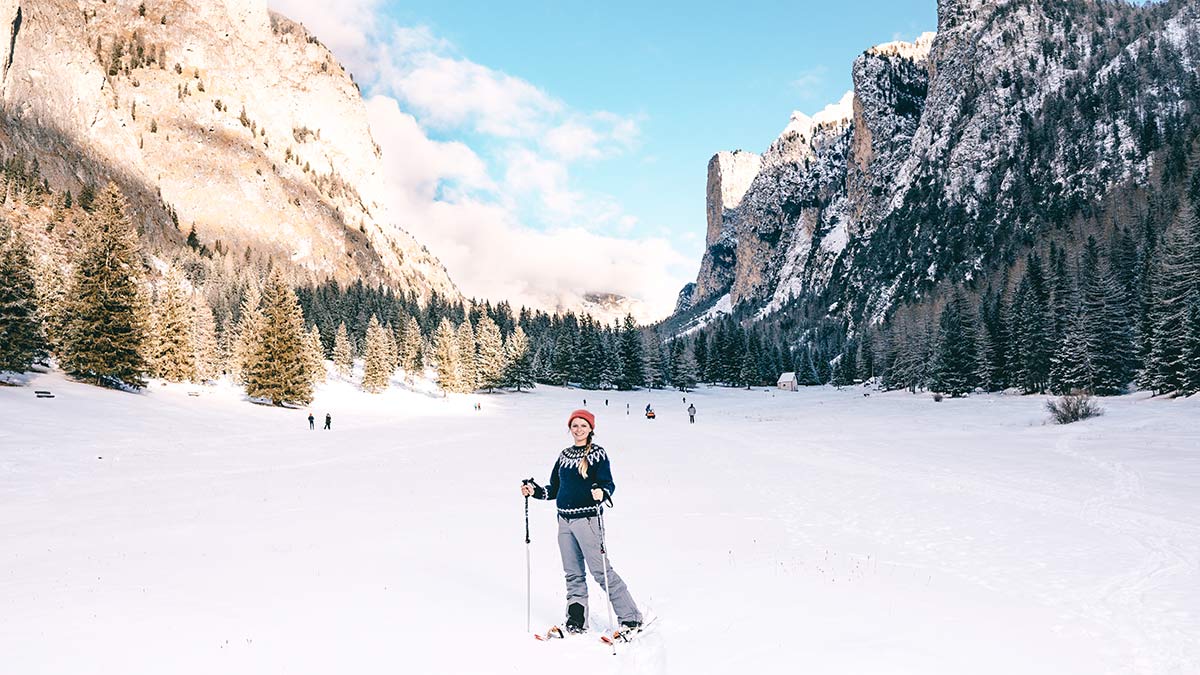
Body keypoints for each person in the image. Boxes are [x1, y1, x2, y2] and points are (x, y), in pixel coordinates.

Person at [520, 410, 643, 634]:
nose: (578, 430)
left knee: (601, 571)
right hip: (564, 521)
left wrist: (601, 492)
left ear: (591, 429)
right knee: (573, 573)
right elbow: (554, 490)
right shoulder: (564, 455)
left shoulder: (597, 454)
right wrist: (534, 491)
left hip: (587, 520)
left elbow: (608, 483)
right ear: (570, 428)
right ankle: (576, 619)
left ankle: (631, 617)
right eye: (574, 426)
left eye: (583, 426)